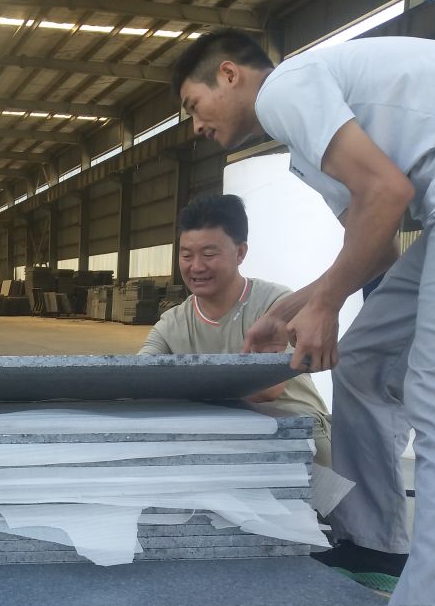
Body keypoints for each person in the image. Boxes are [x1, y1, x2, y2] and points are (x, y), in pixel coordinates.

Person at [173, 30, 435, 605]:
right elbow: (376, 251)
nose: (196, 127)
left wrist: (326, 305)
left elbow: (387, 192)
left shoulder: (285, 89)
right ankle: (374, 542)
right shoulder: (309, 144)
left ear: (229, 74)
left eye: (193, 106)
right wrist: (288, 310)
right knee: (363, 364)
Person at [139, 194, 331, 467]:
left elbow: (267, 388)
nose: (196, 266)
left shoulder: (276, 305)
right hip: (218, 433)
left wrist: (182, 390)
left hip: (296, 432)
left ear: (240, 253)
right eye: (186, 255)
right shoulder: (172, 323)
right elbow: (140, 378)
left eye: (209, 254)